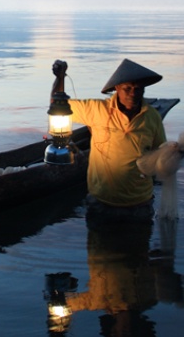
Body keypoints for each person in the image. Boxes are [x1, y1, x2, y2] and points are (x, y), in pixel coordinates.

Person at [51, 58, 167, 221]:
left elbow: (160, 151)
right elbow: (57, 105)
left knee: (139, 245)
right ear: (117, 88)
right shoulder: (98, 110)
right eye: (127, 88)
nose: (133, 94)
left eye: (138, 89)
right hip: (102, 203)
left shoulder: (152, 117)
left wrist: (173, 155)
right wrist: (60, 78)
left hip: (139, 204)